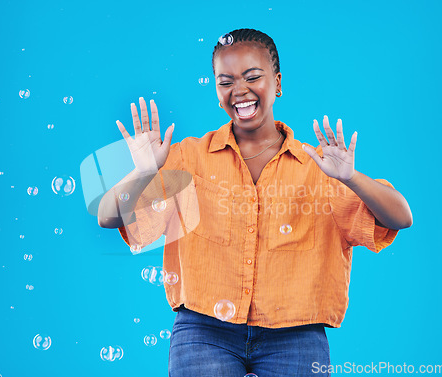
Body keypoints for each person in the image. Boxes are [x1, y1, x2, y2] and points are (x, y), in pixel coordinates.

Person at [97, 28, 412, 377]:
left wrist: (351, 177)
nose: (240, 90)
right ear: (217, 91)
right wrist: (142, 173)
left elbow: (400, 216)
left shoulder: (321, 167)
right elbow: (107, 217)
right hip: (204, 331)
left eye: (252, 77)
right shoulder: (187, 159)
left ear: (277, 82)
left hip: (296, 336)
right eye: (226, 80)